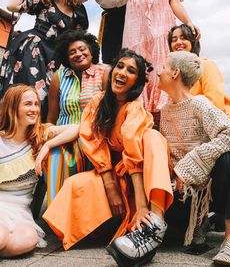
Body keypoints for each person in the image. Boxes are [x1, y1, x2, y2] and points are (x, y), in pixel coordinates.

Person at [40, 49, 173, 266]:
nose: (122, 72)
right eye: (120, 66)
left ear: (137, 82)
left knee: (153, 136)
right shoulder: (97, 102)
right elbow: (92, 142)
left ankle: (153, 224)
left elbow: (134, 156)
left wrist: (140, 205)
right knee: (76, 184)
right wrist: (110, 185)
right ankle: (113, 229)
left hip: (138, 179)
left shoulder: (134, 109)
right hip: (110, 174)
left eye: (130, 71)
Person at [158, 51, 230, 265]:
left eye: (163, 67)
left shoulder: (200, 104)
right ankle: (200, 222)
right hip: (182, 194)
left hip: (209, 189)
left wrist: (191, 165)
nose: (159, 72)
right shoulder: (165, 112)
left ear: (175, 73)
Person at [120, 0, 199, 124]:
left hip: (161, 26)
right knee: (137, 66)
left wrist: (188, 21)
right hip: (136, 30)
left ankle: (162, 120)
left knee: (160, 68)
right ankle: (137, 119)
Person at [0, 0, 88, 121]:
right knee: (27, 92)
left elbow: (80, 37)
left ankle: (38, 136)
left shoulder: (79, 9)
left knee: (50, 99)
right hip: (33, 51)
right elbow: (12, 5)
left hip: (57, 58)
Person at [0, 84, 80, 257]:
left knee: (28, 239)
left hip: (21, 211)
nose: (34, 109)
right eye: (28, 104)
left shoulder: (40, 135)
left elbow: (75, 128)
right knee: (1, 236)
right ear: (13, 107)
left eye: (36, 104)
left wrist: (48, 146)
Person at [46, 29, 110, 204]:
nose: (78, 54)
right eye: (72, 52)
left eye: (82, 49)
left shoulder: (105, 72)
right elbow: (51, 117)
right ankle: (59, 215)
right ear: (66, 57)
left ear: (91, 51)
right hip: (63, 138)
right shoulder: (59, 77)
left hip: (93, 138)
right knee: (57, 157)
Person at [168, 23, 230, 121]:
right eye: (174, 40)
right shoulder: (173, 74)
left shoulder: (206, 65)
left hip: (224, 123)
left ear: (192, 42)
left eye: (183, 38)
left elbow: (215, 105)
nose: (178, 42)